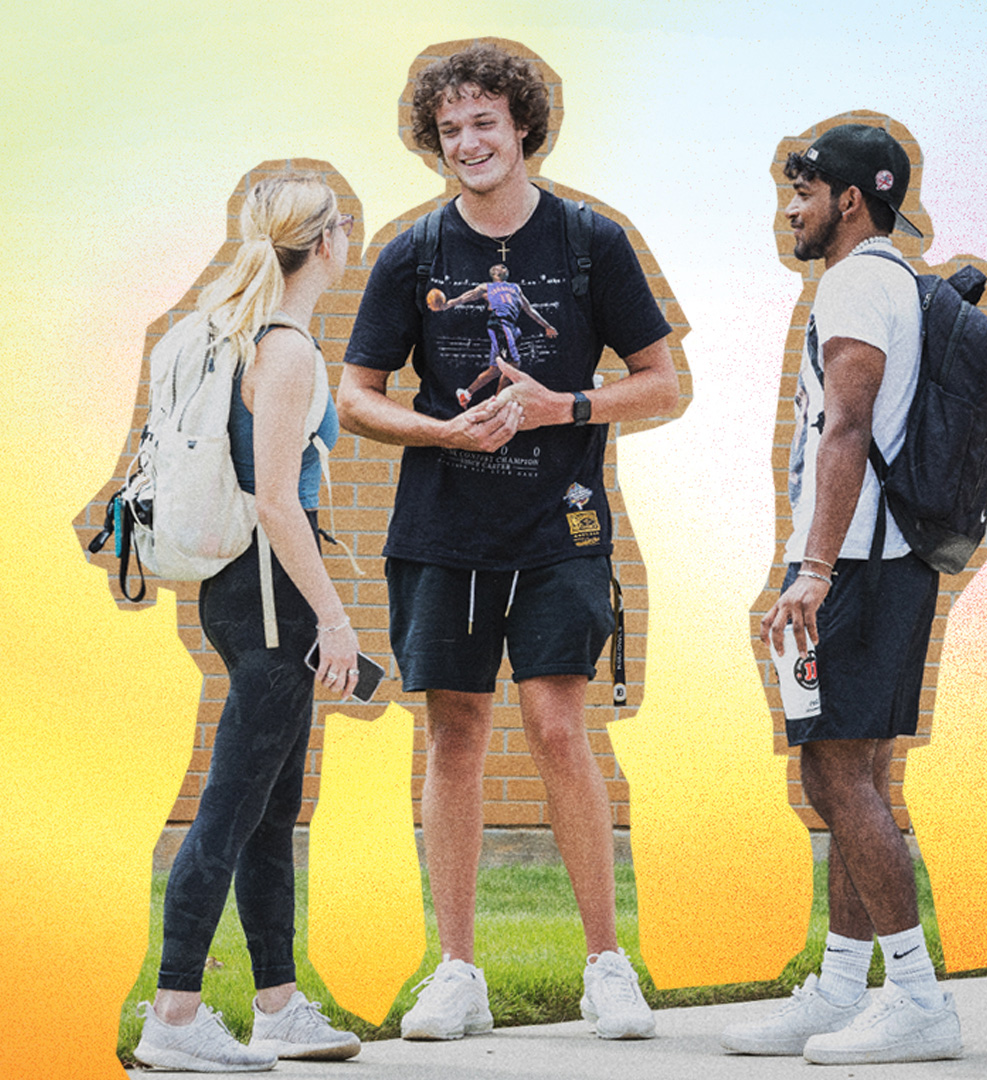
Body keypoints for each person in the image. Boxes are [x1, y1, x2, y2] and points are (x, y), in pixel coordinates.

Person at [337, 41, 680, 1041]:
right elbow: (355, 394)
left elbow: (662, 383)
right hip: (442, 524)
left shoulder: (589, 241)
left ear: (524, 125)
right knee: (453, 734)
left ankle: (607, 965)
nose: (467, 144)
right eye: (449, 131)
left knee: (558, 724)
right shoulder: (412, 252)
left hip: (559, 519)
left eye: (484, 123)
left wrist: (562, 404)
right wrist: (438, 429)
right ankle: (456, 970)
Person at [720, 123, 964, 1065]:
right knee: (854, 773)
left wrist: (812, 569)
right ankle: (838, 990)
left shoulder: (860, 279)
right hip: (876, 561)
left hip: (856, 565)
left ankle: (916, 998)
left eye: (804, 192)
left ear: (851, 198)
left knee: (832, 772)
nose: (791, 208)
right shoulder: (885, 276)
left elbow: (848, 427)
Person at [132, 173, 362, 1071]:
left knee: (270, 809)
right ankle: (175, 1017)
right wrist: (335, 620)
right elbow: (276, 500)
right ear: (327, 242)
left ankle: (278, 1007)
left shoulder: (236, 332)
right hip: (272, 593)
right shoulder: (287, 347)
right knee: (229, 807)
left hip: (240, 590)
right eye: (345, 225)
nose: (350, 236)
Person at [435, 262, 558, 407]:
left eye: (504, 266)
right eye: (499, 266)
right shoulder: (486, 287)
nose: (502, 267)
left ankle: (466, 392)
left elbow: (529, 309)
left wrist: (547, 326)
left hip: (510, 326)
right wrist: (447, 304)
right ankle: (498, 403)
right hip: (500, 323)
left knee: (495, 370)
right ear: (492, 272)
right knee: (513, 364)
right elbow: (465, 297)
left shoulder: (515, 288)